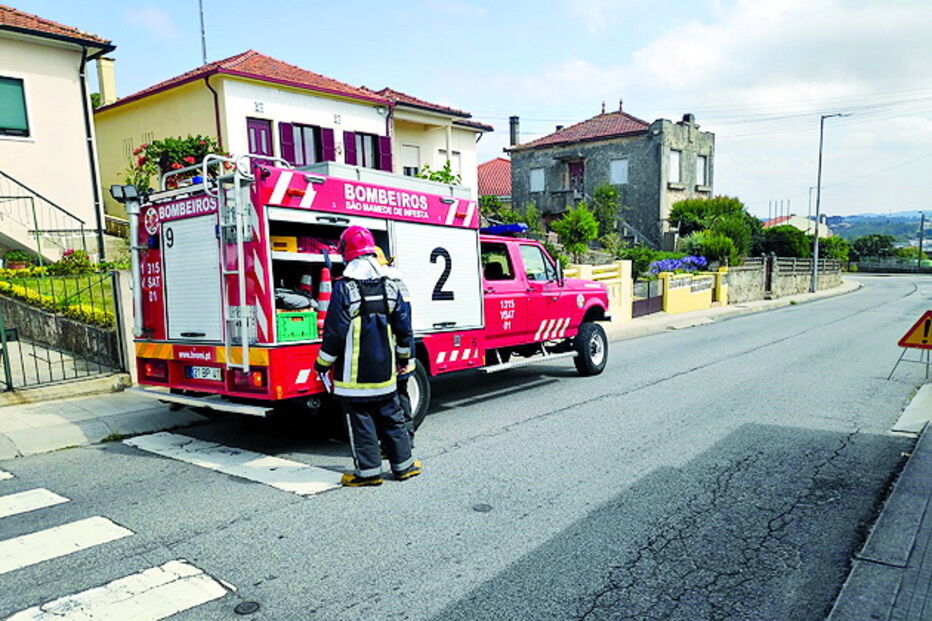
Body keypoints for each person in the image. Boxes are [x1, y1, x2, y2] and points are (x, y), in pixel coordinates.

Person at [314, 226, 420, 486]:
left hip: (354, 377)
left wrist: (322, 363)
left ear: (346, 255)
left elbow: (334, 333)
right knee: (392, 417)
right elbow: (404, 329)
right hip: (386, 374)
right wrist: (404, 360)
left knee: (361, 421)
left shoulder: (344, 289)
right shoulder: (391, 287)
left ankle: (369, 473)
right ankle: (404, 467)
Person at [374, 246, 417, 446]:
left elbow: (401, 322)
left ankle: (398, 442)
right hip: (401, 351)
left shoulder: (387, 286)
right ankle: (405, 439)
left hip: (392, 353)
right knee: (401, 396)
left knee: (394, 400)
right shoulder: (398, 283)